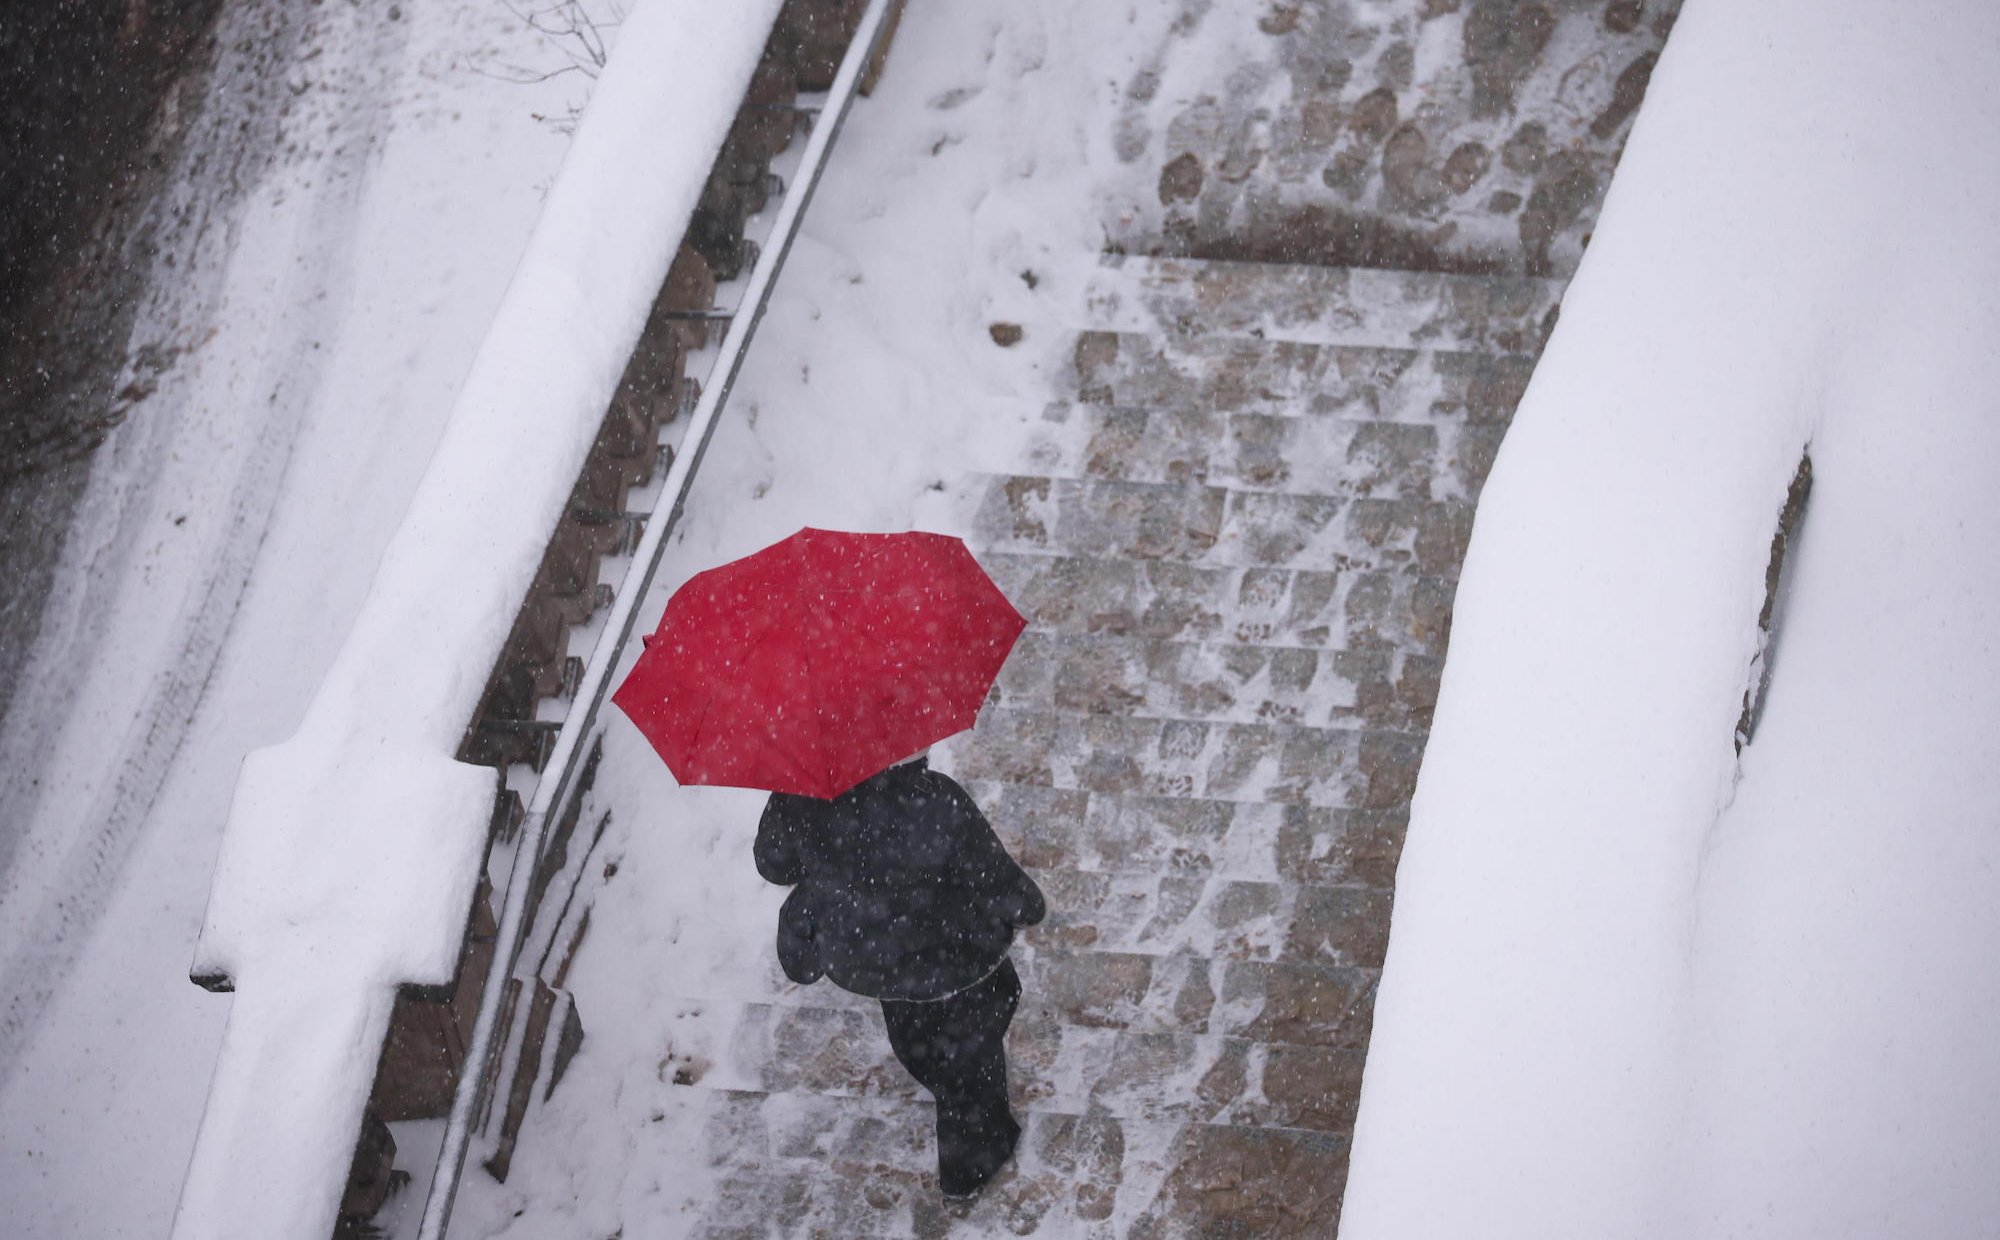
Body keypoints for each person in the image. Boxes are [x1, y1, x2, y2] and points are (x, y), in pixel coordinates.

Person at [754, 750, 1046, 1201]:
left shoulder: (802, 799)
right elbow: (990, 873)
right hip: (962, 955)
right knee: (978, 1041)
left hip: (881, 964)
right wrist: (1026, 905)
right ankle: (970, 1159)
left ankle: (946, 1080)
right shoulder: (936, 799)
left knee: (920, 1041)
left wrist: (798, 806)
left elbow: (775, 865)